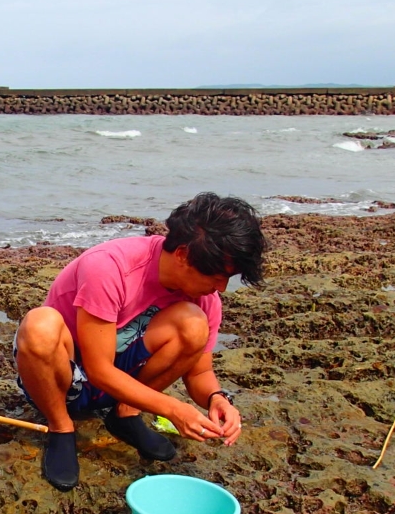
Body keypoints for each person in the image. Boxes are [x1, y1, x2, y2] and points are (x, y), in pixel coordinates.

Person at [14, 193, 265, 490]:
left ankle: (124, 414)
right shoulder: (109, 267)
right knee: (39, 324)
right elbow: (98, 370)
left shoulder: (205, 298)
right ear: (183, 255)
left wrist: (217, 399)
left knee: (193, 324)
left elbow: (199, 373)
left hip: (122, 387)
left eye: (229, 278)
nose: (221, 287)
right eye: (217, 275)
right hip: (61, 379)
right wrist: (172, 409)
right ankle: (61, 427)